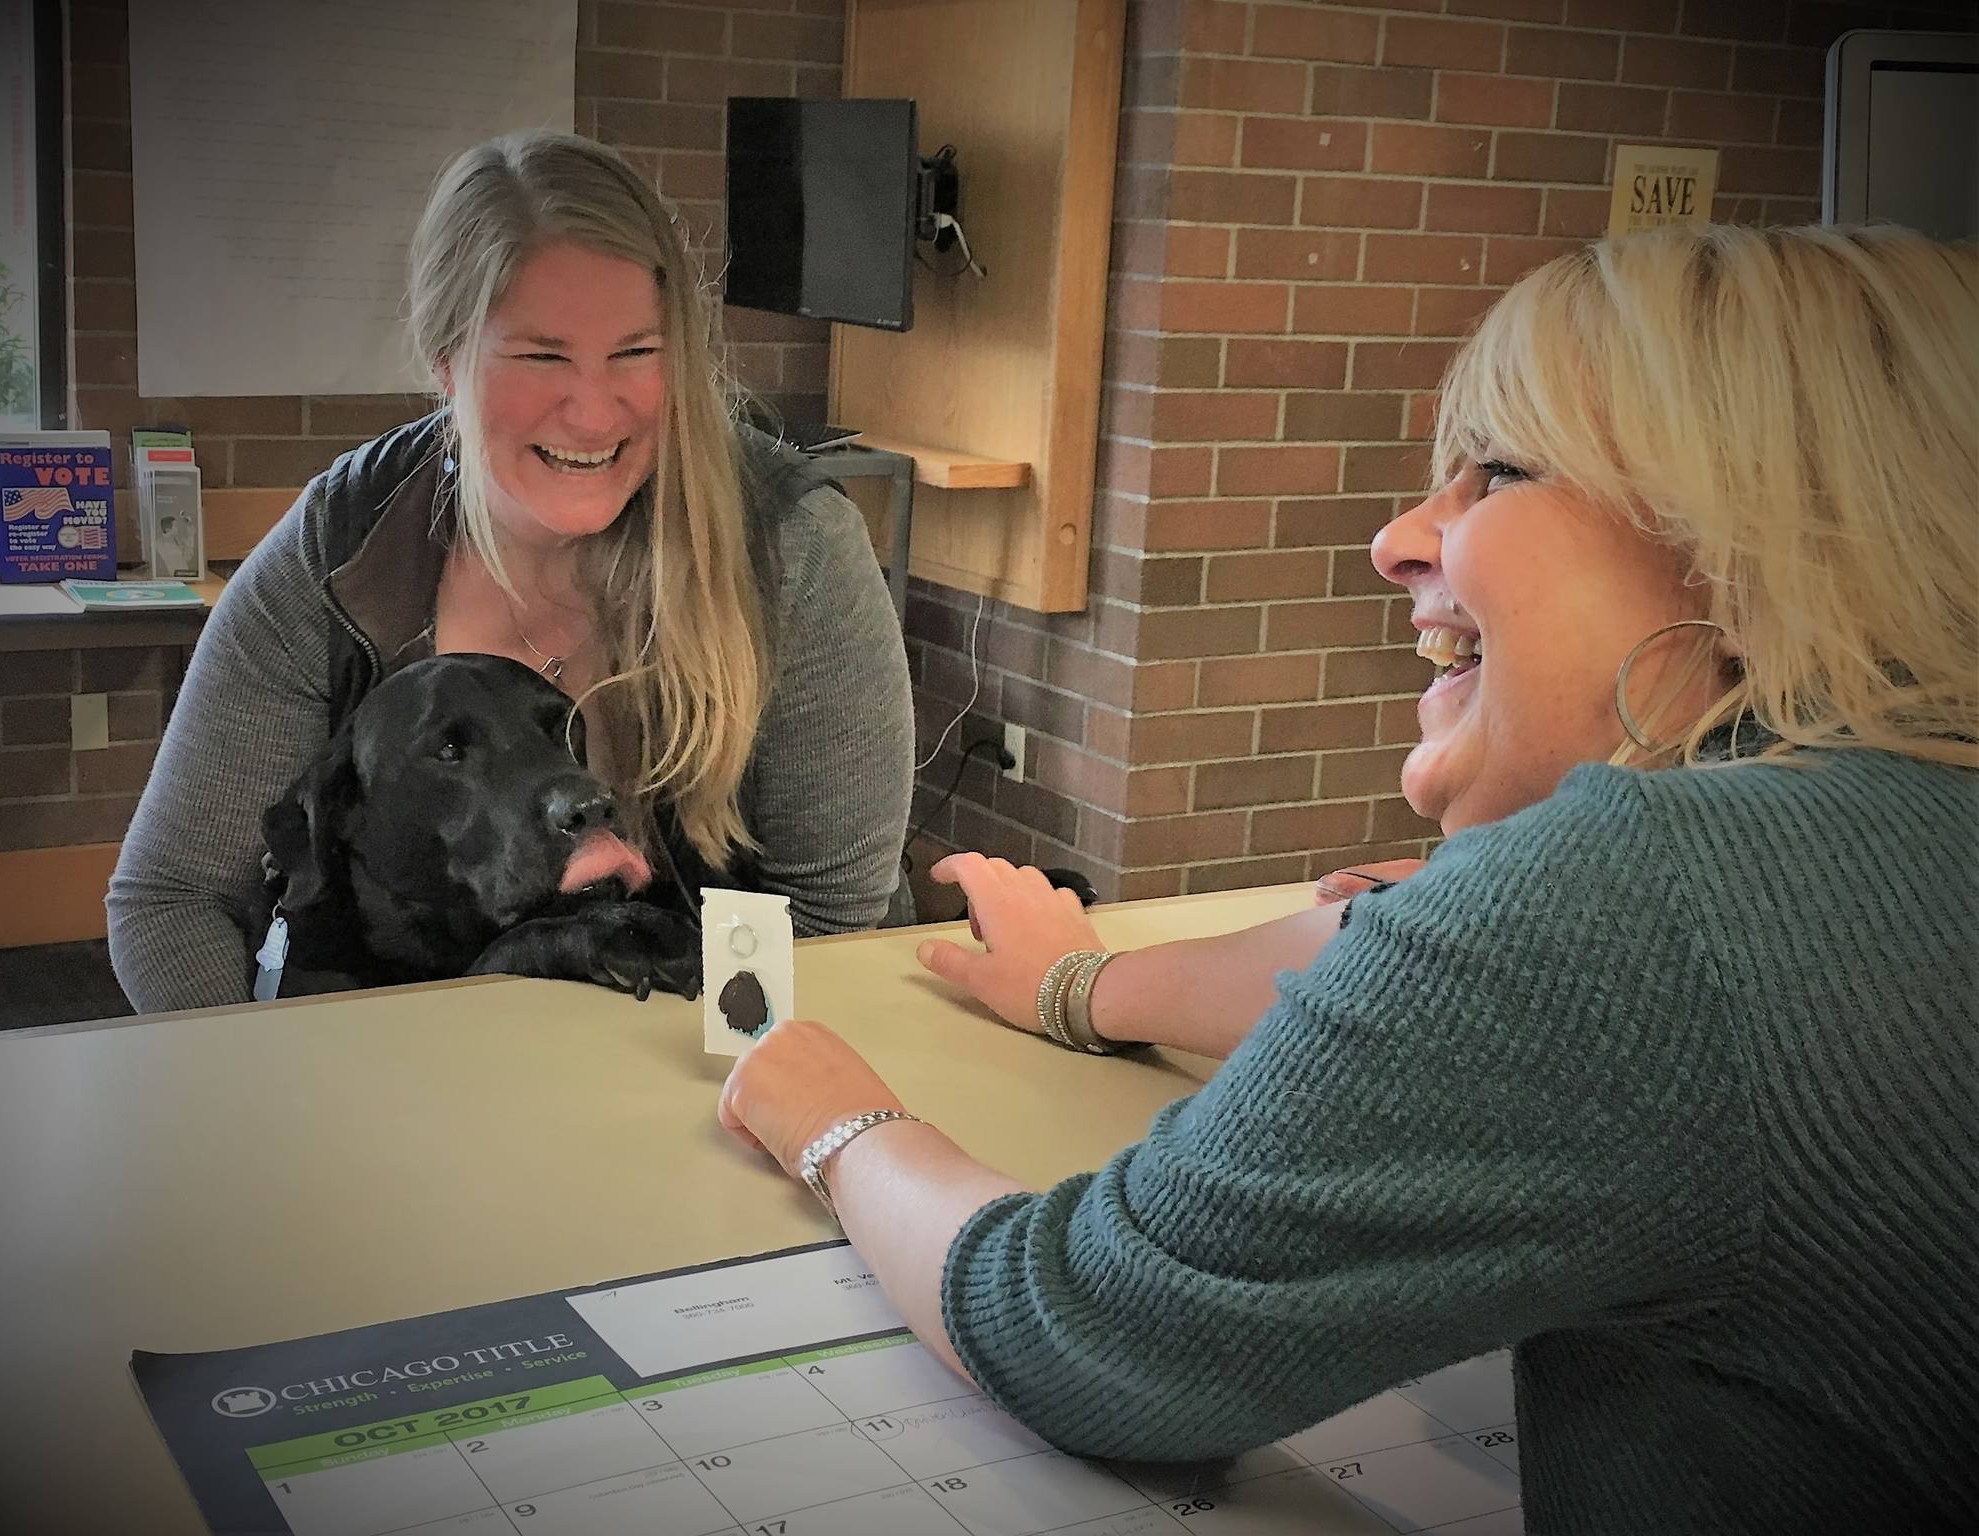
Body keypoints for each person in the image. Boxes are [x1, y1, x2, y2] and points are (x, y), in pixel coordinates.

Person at [717, 224, 1978, 1532]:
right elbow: (1429, 965)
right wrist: (1085, 984)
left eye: (1493, 474)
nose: (1399, 540)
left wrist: (844, 1123)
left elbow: (1079, 1328)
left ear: (1742, 537)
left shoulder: (1643, 892)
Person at [109, 132, 915, 1012]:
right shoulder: (340, 551)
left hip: (722, 1068)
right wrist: (263, 1112)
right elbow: (170, 898)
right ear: (445, 361)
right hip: (415, 1075)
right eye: (542, 355)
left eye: (637, 353)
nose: (594, 408)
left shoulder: (795, 548)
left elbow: (834, 927)